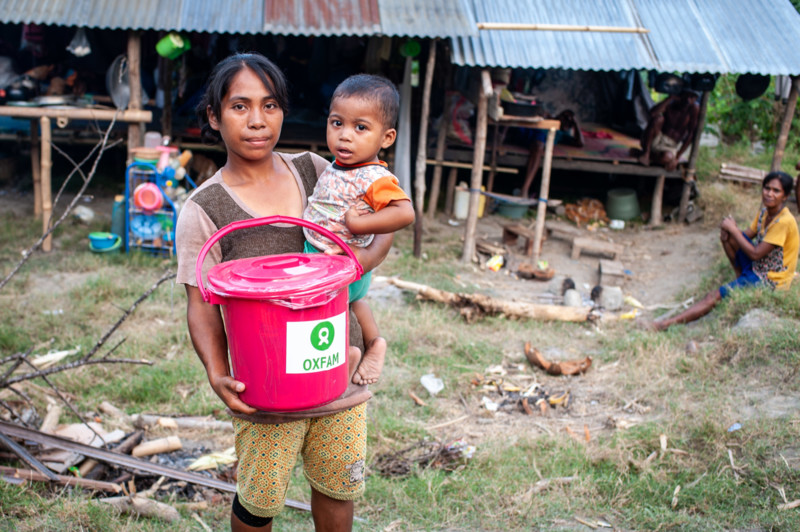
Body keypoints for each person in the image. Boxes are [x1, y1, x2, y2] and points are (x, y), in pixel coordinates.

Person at [175, 52, 394, 531]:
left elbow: (384, 217)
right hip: (268, 388)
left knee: (338, 489)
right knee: (259, 503)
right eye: (239, 106)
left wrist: (362, 257)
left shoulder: (320, 172)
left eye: (270, 105)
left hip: (340, 371)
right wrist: (216, 372)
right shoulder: (204, 209)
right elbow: (200, 306)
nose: (257, 121)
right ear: (213, 115)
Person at [303, 74, 415, 386]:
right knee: (356, 303)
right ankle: (375, 342)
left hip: (342, 259)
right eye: (337, 123)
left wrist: (359, 224)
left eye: (360, 128)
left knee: (327, 307)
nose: (345, 136)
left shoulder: (374, 178)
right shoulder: (340, 165)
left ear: (387, 138)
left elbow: (405, 213)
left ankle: (347, 354)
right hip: (323, 253)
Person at [652, 171, 798, 331]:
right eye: (767, 188)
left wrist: (734, 230)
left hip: (771, 280)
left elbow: (756, 253)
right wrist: (727, 233)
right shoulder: (764, 213)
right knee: (731, 235)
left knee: (713, 296)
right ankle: (740, 276)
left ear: (785, 196)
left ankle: (663, 325)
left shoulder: (784, 221)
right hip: (759, 267)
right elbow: (744, 236)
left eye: (776, 191)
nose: (769, 194)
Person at [520, 109, 585, 199]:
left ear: (569, 126)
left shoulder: (562, 133)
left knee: (539, 145)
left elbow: (580, 143)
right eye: (563, 116)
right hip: (528, 133)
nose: (564, 120)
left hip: (537, 143)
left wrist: (575, 123)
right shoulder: (547, 117)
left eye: (568, 120)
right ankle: (525, 190)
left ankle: (525, 189)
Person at [636, 89, 699, 171]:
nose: (688, 99)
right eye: (686, 95)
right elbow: (652, 114)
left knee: (666, 157)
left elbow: (691, 134)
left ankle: (648, 155)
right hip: (656, 139)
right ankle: (646, 153)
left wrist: (677, 157)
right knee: (659, 119)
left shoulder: (693, 109)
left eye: (691, 97)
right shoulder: (671, 104)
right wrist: (669, 99)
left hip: (670, 145)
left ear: (695, 99)